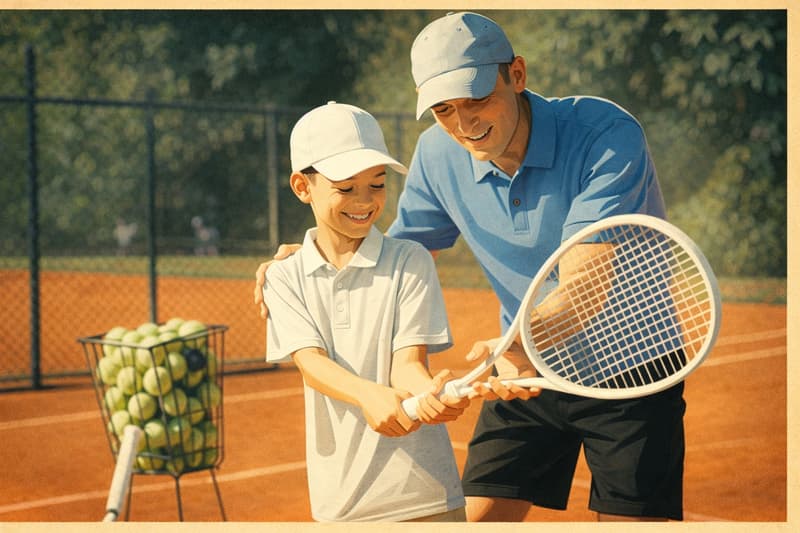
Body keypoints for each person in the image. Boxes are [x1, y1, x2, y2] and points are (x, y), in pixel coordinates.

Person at [255, 12, 685, 523]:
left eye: (478, 99)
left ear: (517, 76)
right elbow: (392, 257)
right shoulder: (438, 153)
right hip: (523, 369)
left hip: (629, 370)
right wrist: (312, 255)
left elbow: (586, 284)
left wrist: (520, 344)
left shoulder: (606, 136)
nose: (464, 124)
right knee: (474, 520)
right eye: (443, 109)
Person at [263, 101, 469, 522]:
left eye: (377, 185)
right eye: (345, 187)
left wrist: (427, 393)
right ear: (303, 187)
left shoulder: (411, 260)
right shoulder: (283, 276)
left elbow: (408, 365)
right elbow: (311, 363)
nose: (365, 201)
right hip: (341, 503)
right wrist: (366, 394)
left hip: (426, 496)